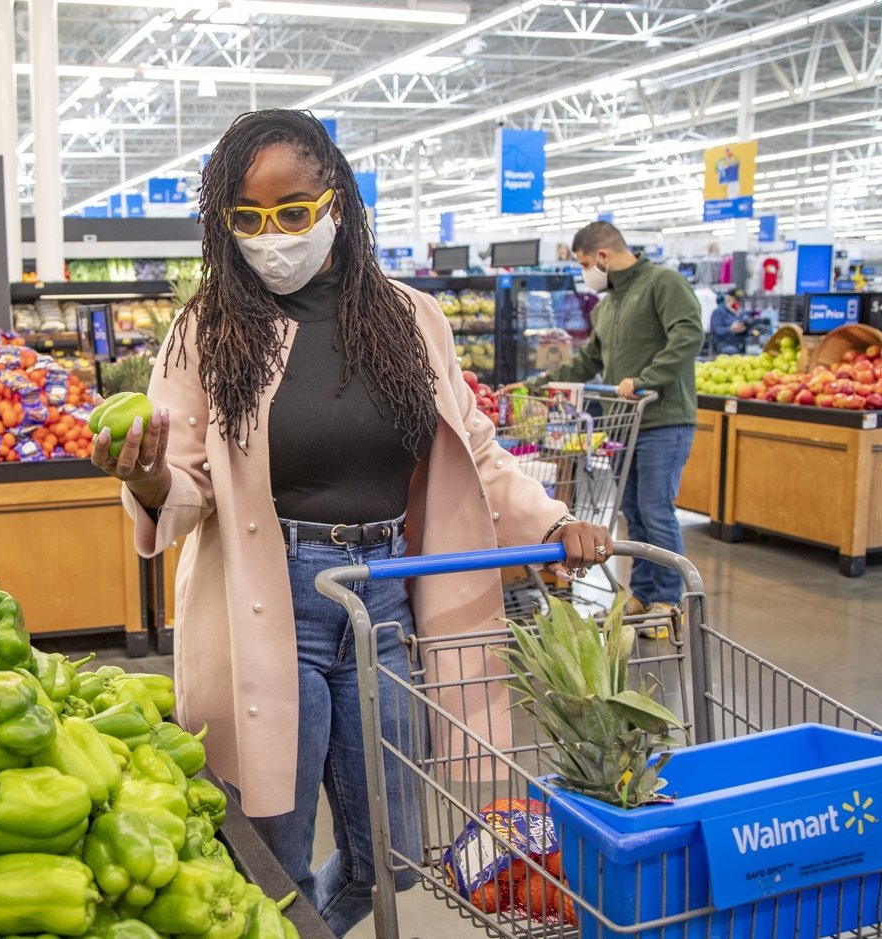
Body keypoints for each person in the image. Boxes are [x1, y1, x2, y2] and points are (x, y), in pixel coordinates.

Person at [88, 109, 611, 936]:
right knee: (275, 854)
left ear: (338, 200)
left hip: (388, 598)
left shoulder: (410, 318)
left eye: (294, 211)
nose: (274, 237)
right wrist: (146, 472)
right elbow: (182, 483)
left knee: (396, 852)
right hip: (272, 604)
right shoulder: (207, 333)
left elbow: (475, 449)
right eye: (249, 220)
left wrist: (554, 520)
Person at [528, 220, 704, 638]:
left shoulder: (664, 284)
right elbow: (587, 361)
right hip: (626, 425)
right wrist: (535, 384)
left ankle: (667, 601)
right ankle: (642, 592)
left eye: (586, 263)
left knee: (657, 511)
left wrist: (645, 378)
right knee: (635, 514)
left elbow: (689, 335)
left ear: (603, 256)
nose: (587, 273)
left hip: (664, 419)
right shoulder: (607, 306)